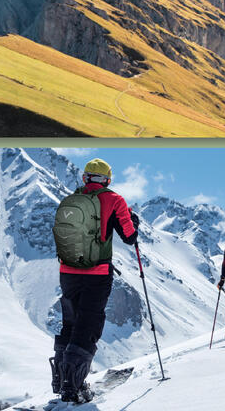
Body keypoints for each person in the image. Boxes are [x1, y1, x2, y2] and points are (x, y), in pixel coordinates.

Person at [51, 158, 139, 403]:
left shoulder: (73, 200)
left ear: (85, 178)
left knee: (70, 323)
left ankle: (61, 380)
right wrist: (135, 222)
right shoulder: (114, 200)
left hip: (68, 272)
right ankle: (73, 388)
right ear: (108, 179)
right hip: (96, 274)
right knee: (88, 326)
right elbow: (130, 236)